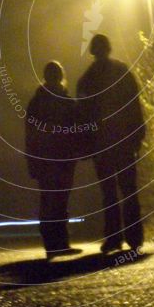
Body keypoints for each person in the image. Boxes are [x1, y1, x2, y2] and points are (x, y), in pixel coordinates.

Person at [77, 34, 145, 254]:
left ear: (93, 52)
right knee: (128, 188)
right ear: (109, 48)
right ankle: (134, 237)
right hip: (123, 140)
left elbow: (83, 115)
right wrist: (138, 135)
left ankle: (114, 238)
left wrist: (87, 146)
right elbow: (134, 105)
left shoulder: (86, 79)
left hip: (102, 144)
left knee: (109, 192)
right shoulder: (122, 72)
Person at [25, 61, 79, 260]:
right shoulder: (64, 101)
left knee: (52, 199)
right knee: (57, 199)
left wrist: (32, 159)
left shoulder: (37, 102)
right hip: (59, 157)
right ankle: (57, 243)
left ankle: (55, 244)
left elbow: (30, 134)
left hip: (51, 158)